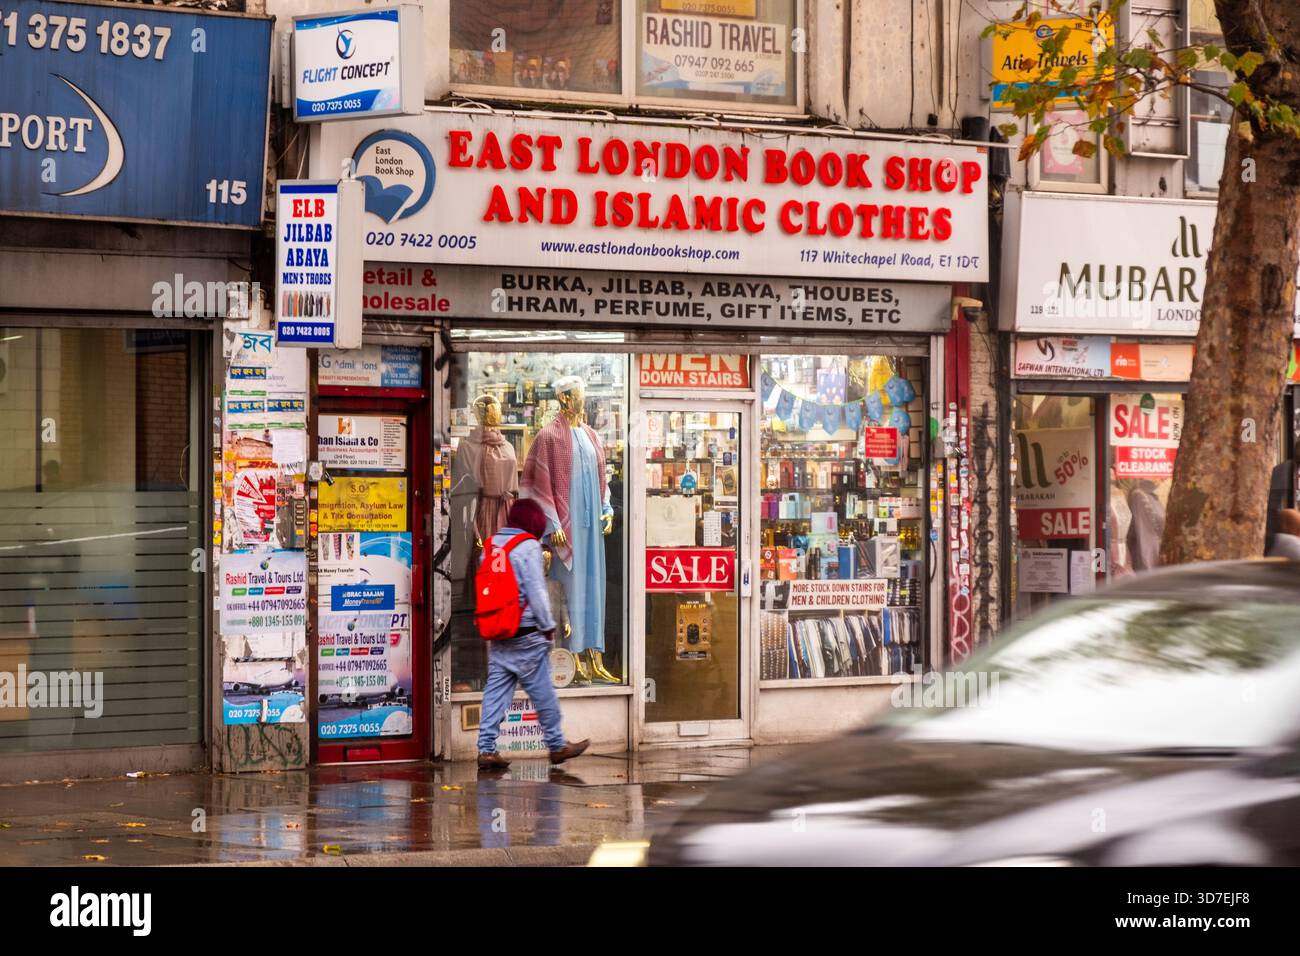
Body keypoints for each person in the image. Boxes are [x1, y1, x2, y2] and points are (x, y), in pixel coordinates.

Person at [477, 497, 590, 769]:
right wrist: (548, 626)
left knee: (495, 693)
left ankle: (486, 749)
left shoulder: (491, 545)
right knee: (543, 692)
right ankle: (557, 745)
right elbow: (536, 592)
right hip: (526, 633)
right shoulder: (528, 546)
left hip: (498, 631)